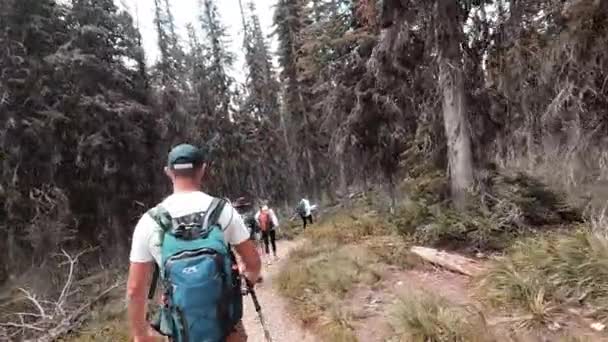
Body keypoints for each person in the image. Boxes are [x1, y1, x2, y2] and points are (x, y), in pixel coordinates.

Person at [127, 144, 261, 342]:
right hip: (227, 329)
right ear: (203, 169)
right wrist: (240, 285)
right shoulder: (223, 211)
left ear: (168, 172)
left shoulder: (150, 221)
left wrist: (140, 333)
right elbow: (253, 264)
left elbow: (135, 290)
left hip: (182, 329)